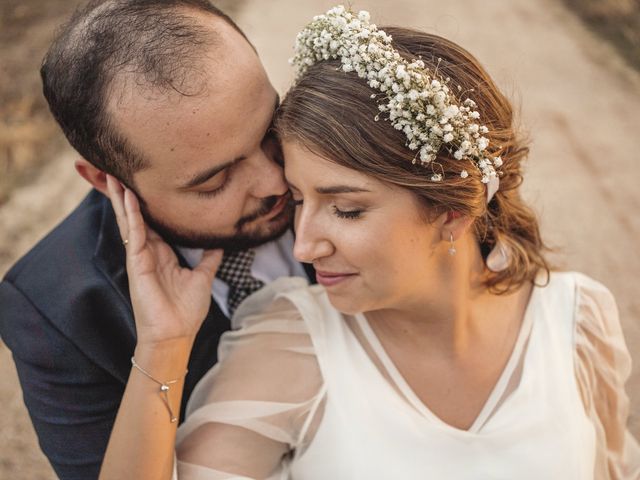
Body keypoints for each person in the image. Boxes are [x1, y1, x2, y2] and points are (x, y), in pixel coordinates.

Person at [103, 5, 640, 479]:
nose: (305, 247)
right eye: (297, 199)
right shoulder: (291, 343)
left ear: (452, 209)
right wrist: (164, 343)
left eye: (347, 208)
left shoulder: (577, 319)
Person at [0, 1, 314, 478]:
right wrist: (164, 346)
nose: (275, 181)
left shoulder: (357, 169)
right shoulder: (53, 310)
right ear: (107, 182)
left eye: (269, 129)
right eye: (214, 182)